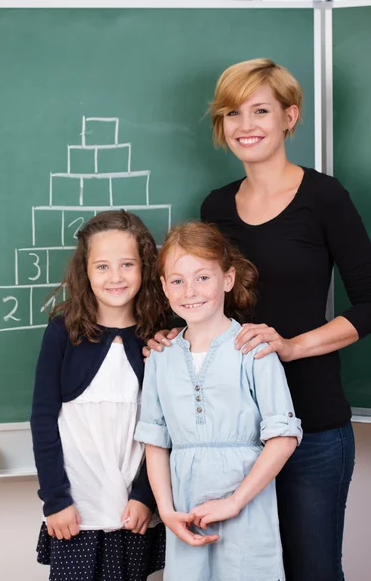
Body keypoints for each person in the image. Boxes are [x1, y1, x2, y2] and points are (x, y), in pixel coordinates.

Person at [146, 58, 371, 581]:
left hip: (311, 427)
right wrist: (168, 336)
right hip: (231, 439)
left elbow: (369, 303)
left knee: (312, 571)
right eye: (232, 113)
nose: (246, 125)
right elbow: (198, 291)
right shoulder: (216, 206)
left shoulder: (324, 197)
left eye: (261, 110)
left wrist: (292, 347)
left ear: (290, 117)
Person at [135, 221, 303, 581]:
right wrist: (165, 511)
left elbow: (284, 438)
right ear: (164, 287)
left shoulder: (254, 348)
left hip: (246, 509)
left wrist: (233, 502)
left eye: (202, 278)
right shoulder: (160, 357)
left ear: (227, 279)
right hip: (186, 514)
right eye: (177, 280)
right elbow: (155, 441)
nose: (189, 290)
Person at [30, 210, 168, 581]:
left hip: (133, 508)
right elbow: (43, 420)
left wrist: (145, 496)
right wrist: (56, 500)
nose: (115, 277)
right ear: (85, 271)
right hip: (76, 508)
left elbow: (165, 427)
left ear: (144, 267)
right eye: (102, 266)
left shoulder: (159, 337)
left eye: (127, 264)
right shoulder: (63, 332)